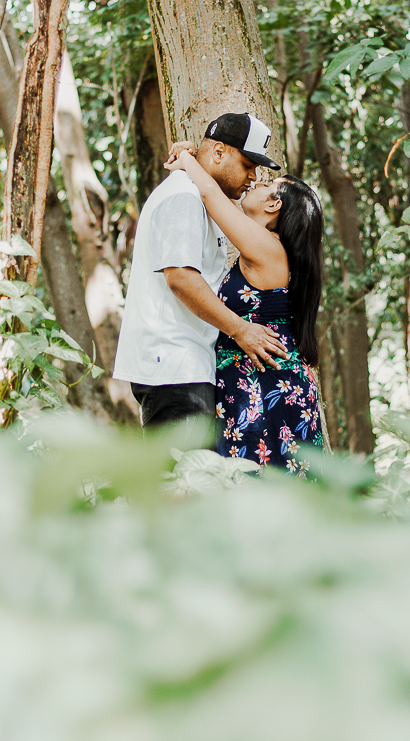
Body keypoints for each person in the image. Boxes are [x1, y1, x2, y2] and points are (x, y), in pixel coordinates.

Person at [113, 112, 288, 429]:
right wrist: (241, 330)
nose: (253, 176)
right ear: (219, 152)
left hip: (187, 367)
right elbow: (181, 278)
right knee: (184, 463)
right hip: (174, 367)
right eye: (247, 165)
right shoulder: (185, 196)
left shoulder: (201, 196)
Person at [163, 140, 324, 476]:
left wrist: (188, 158)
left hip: (266, 392)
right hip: (257, 386)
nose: (255, 182)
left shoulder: (268, 248)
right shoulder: (268, 249)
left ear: (274, 204)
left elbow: (210, 193)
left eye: (266, 184)